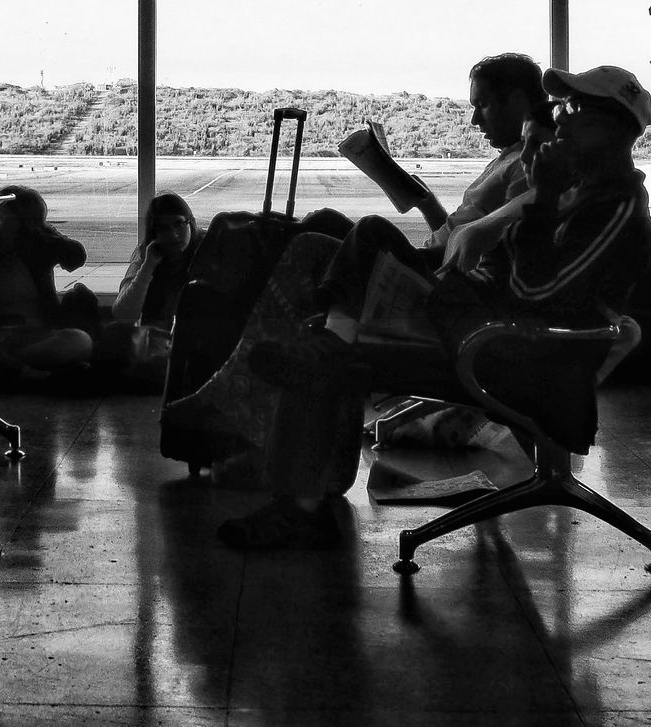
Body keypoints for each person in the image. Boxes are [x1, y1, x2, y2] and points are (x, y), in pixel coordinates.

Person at [216, 64, 651, 548]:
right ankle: (305, 481)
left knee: (338, 355)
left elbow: (533, 295)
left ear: (614, 127)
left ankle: (296, 509)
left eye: (575, 110)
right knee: (341, 309)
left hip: (510, 352)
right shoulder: (582, 192)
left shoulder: (615, 204)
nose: (561, 120)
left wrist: (543, 196)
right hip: (487, 328)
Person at [161, 53, 555, 468]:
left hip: (446, 285)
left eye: (482, 105)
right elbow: (457, 234)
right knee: (318, 227)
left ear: (515, 100)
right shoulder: (509, 158)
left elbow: (481, 249)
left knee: (339, 237)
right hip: (437, 264)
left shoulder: (532, 165)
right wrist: (425, 202)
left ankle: (299, 353)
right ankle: (244, 369)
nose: (475, 120)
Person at [0, 185, 93, 379]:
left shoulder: (38, 251)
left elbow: (76, 257)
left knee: (80, 341)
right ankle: (28, 370)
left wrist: (45, 232)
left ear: (23, 224)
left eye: (3, 218)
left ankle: (10, 367)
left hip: (37, 336)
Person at [112, 192, 203, 330]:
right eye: (164, 228)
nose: (173, 234)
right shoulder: (147, 254)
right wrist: (148, 266)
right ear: (155, 233)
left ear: (190, 222)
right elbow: (123, 314)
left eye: (179, 224)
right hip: (160, 340)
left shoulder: (207, 247)